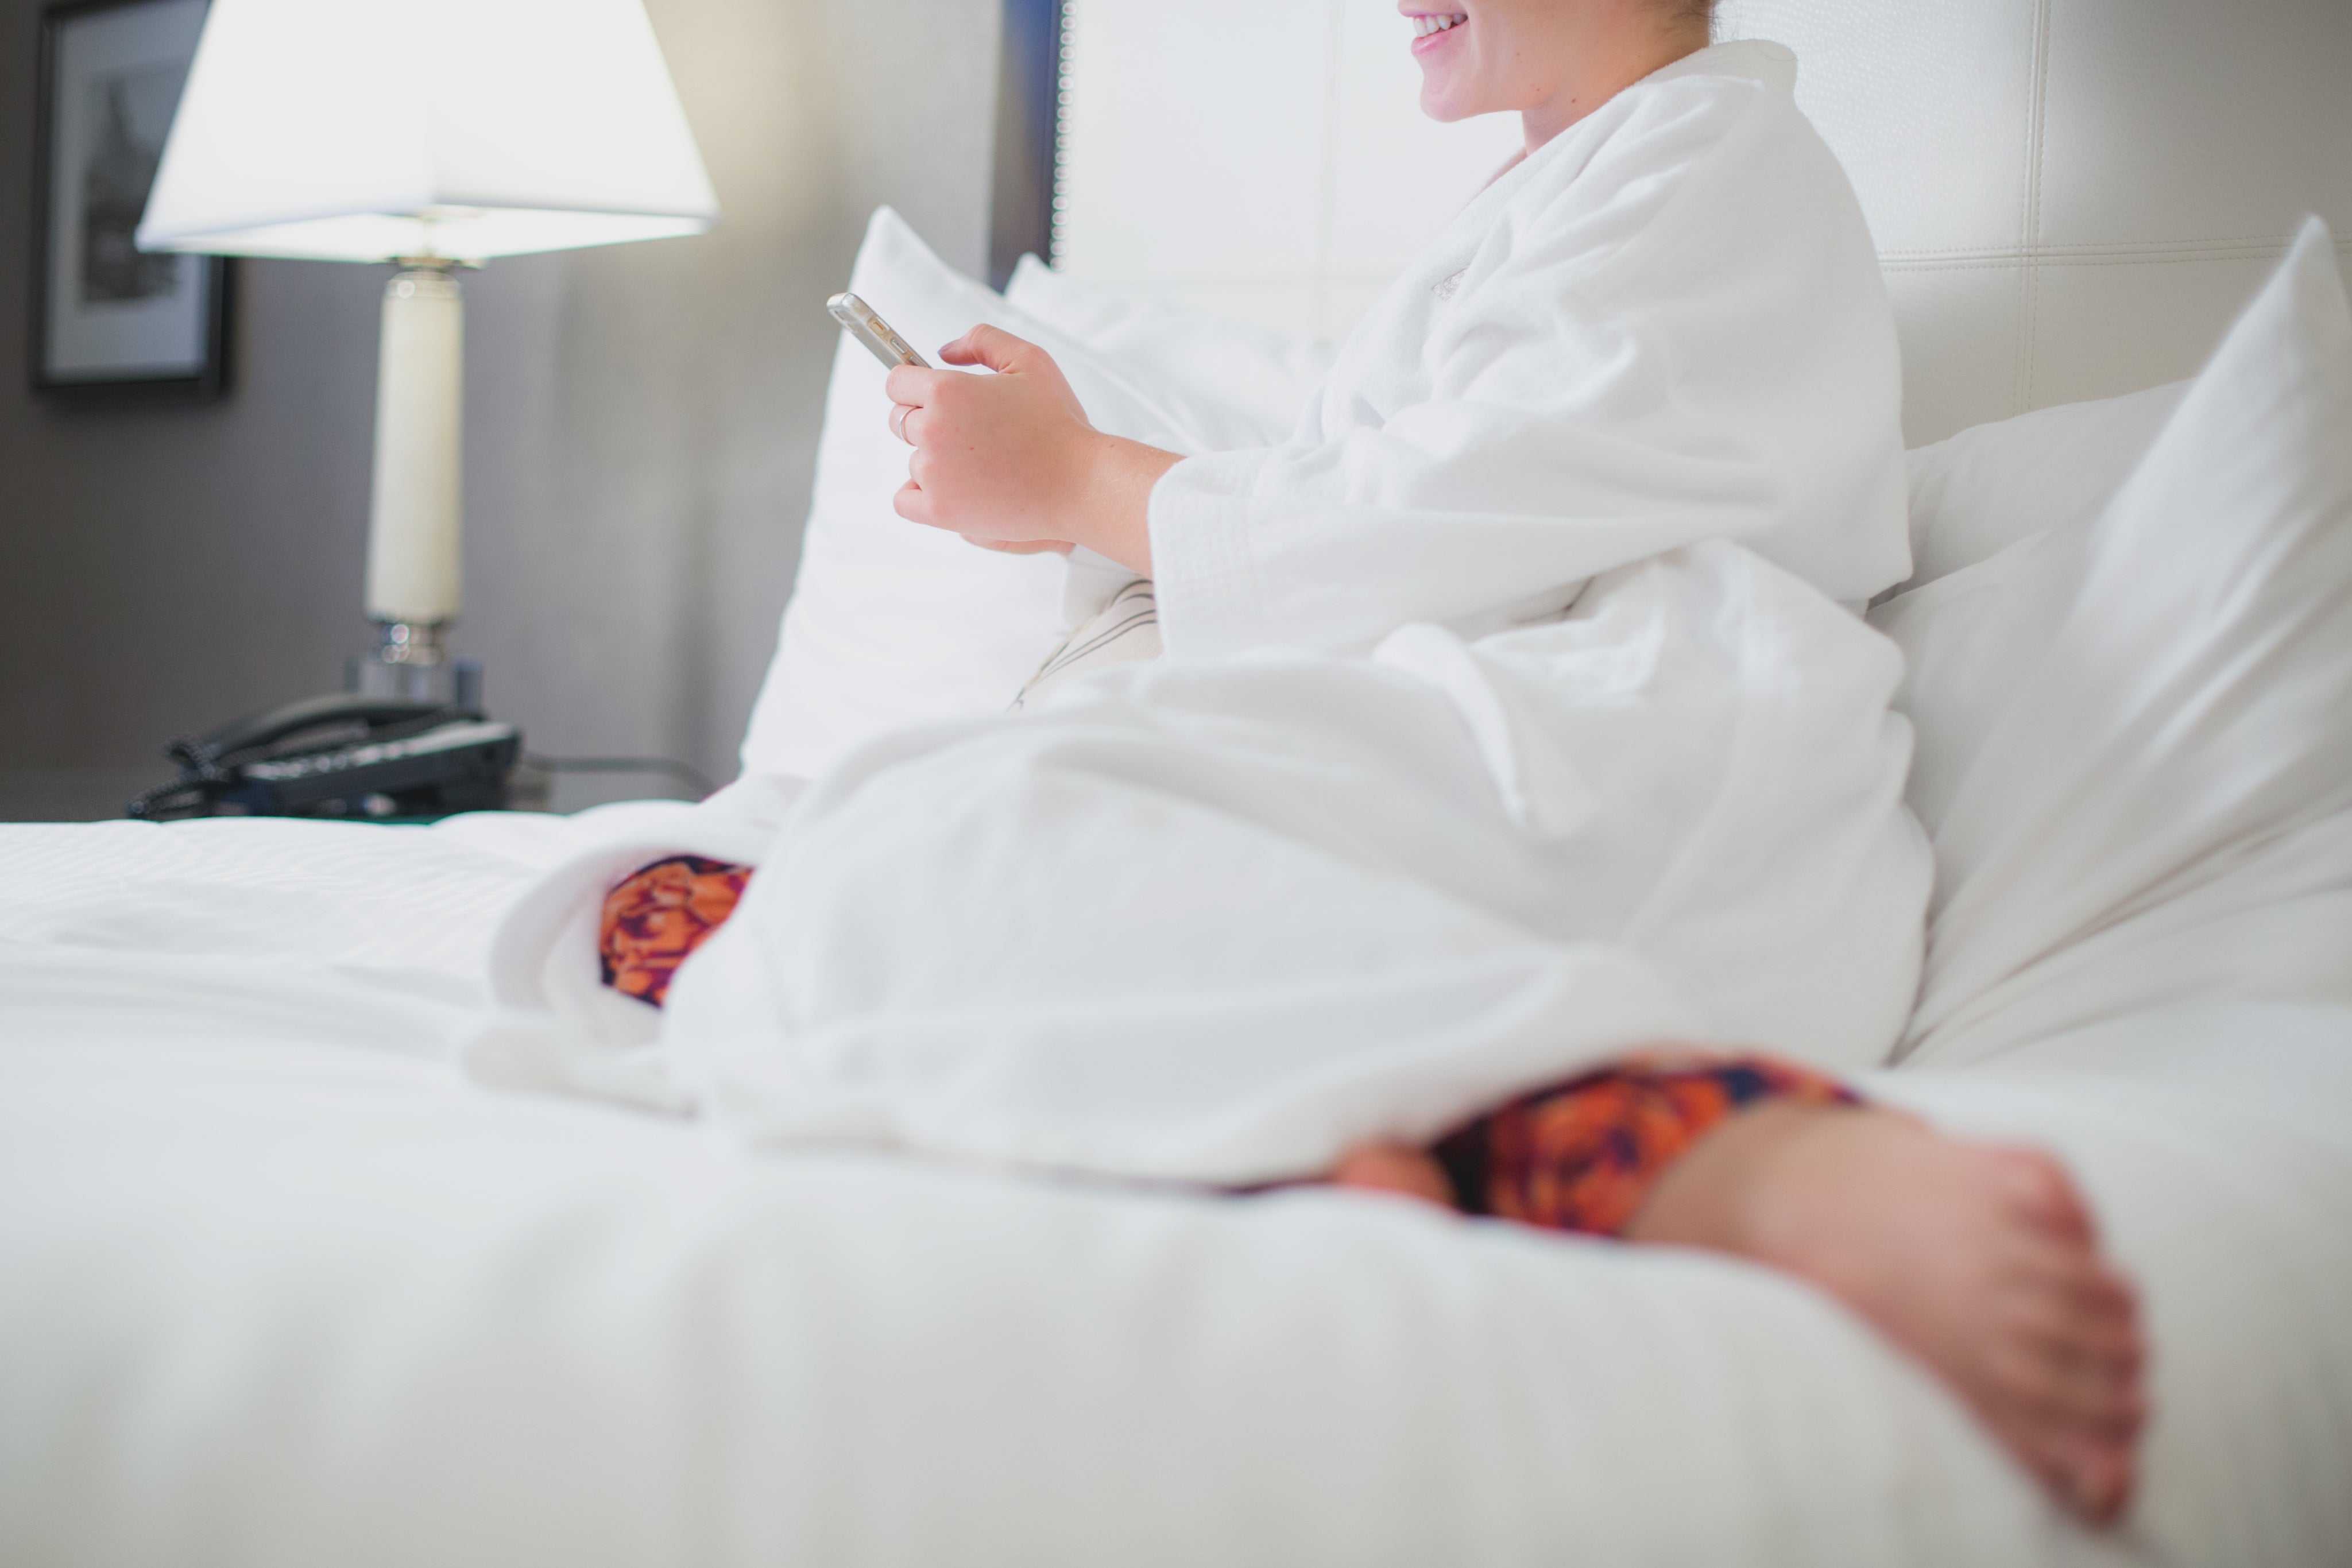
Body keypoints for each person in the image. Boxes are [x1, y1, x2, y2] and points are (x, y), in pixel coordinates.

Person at [574, 0, 2145, 1526]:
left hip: (1622, 766)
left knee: (921, 844)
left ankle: (1718, 1154)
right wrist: (1083, 470)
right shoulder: (1568, 189)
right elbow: (1373, 510)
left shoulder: (1718, 163)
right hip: (1488, 769)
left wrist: (1086, 477)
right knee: (682, 888)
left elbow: (1434, 518)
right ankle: (1364, 1152)